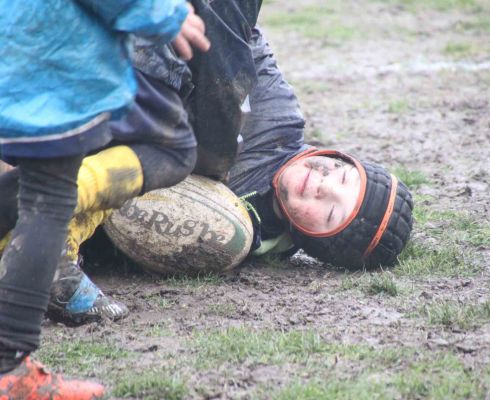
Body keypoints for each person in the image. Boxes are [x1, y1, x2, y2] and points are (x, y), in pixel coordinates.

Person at [0, 0, 413, 325]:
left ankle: (42, 231)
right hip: (122, 72)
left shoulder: (239, 238)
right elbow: (234, 34)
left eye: (332, 210)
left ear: (314, 240)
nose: (323, 183)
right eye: (339, 171)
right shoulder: (279, 121)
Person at [0, 1, 210, 398]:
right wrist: (164, 14)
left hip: (24, 42)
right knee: (47, 202)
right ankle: (9, 368)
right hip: (47, 56)